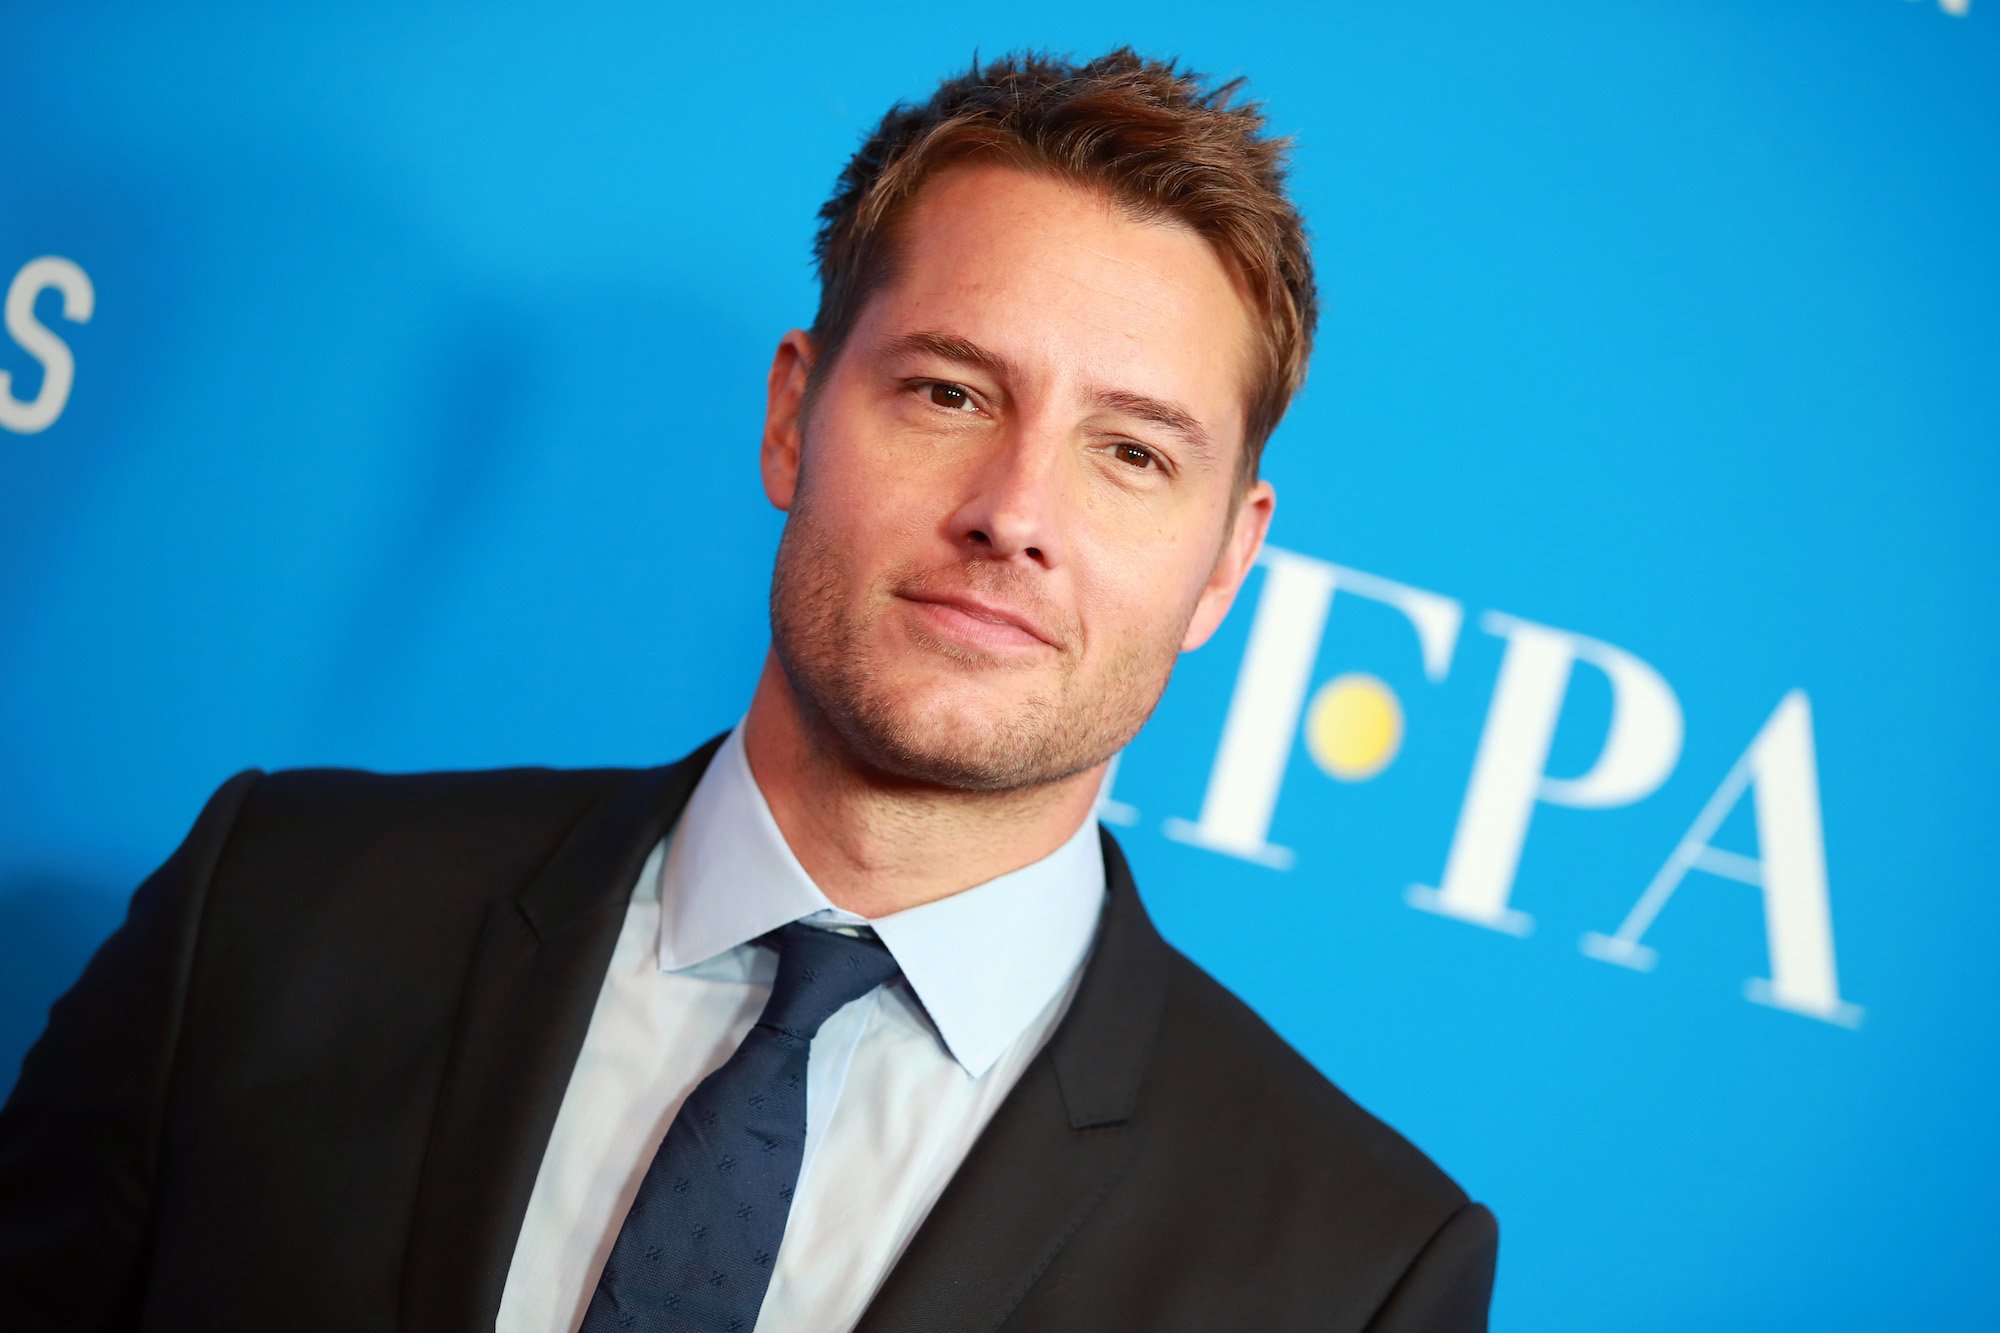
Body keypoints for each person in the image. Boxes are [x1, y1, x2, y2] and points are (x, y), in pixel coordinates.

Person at [0, 49, 1497, 1332]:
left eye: (1132, 453)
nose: (1013, 510)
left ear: (1227, 564)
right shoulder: (271, 917)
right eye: (950, 392)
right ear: (795, 417)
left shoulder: (1352, 1266)